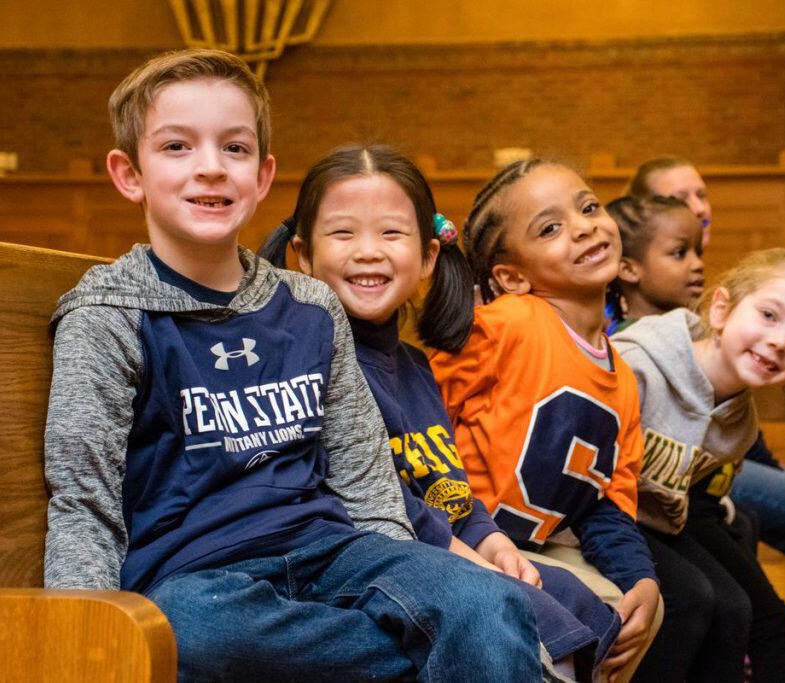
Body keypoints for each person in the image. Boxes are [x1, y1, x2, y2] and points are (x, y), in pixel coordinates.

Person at [42, 49, 546, 682]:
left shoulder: (310, 305)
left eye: (234, 148)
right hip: (199, 577)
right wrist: (81, 639)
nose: (210, 169)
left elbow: (367, 484)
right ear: (128, 173)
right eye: (176, 147)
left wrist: (414, 577)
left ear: (262, 173)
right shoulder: (106, 314)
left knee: (485, 598)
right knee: (198, 636)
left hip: (332, 551)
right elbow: (83, 500)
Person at [259, 144, 621, 681]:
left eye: (390, 233)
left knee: (583, 604)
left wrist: (492, 540)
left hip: (449, 543)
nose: (368, 252)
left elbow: (445, 482)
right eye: (343, 234)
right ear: (303, 254)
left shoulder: (414, 365)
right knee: (530, 617)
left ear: (429, 255)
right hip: (382, 561)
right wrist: (467, 557)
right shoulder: (305, 356)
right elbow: (368, 497)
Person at [428, 159, 663, 682]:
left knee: (640, 608)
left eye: (589, 207)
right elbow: (416, 413)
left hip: (535, 549)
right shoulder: (506, 325)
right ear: (512, 277)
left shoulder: (622, 377)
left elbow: (604, 504)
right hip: (461, 540)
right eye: (550, 228)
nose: (582, 227)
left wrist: (639, 578)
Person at [612, 247, 785, 682]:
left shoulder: (741, 425)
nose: (778, 341)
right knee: (694, 598)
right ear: (721, 310)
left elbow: (697, 506)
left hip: (665, 519)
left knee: (748, 611)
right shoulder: (639, 367)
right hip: (608, 518)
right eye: (769, 316)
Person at [631, 156, 785, 603]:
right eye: (678, 197)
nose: (698, 206)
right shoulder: (640, 334)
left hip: (710, 464)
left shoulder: (715, 281)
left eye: (701, 194)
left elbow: (734, 421)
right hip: (660, 474)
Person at [605, 194, 752, 682]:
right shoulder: (631, 353)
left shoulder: (705, 351)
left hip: (672, 511)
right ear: (628, 268)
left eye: (699, 252)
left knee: (734, 604)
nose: (697, 266)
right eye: (679, 253)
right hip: (621, 514)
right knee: (693, 598)